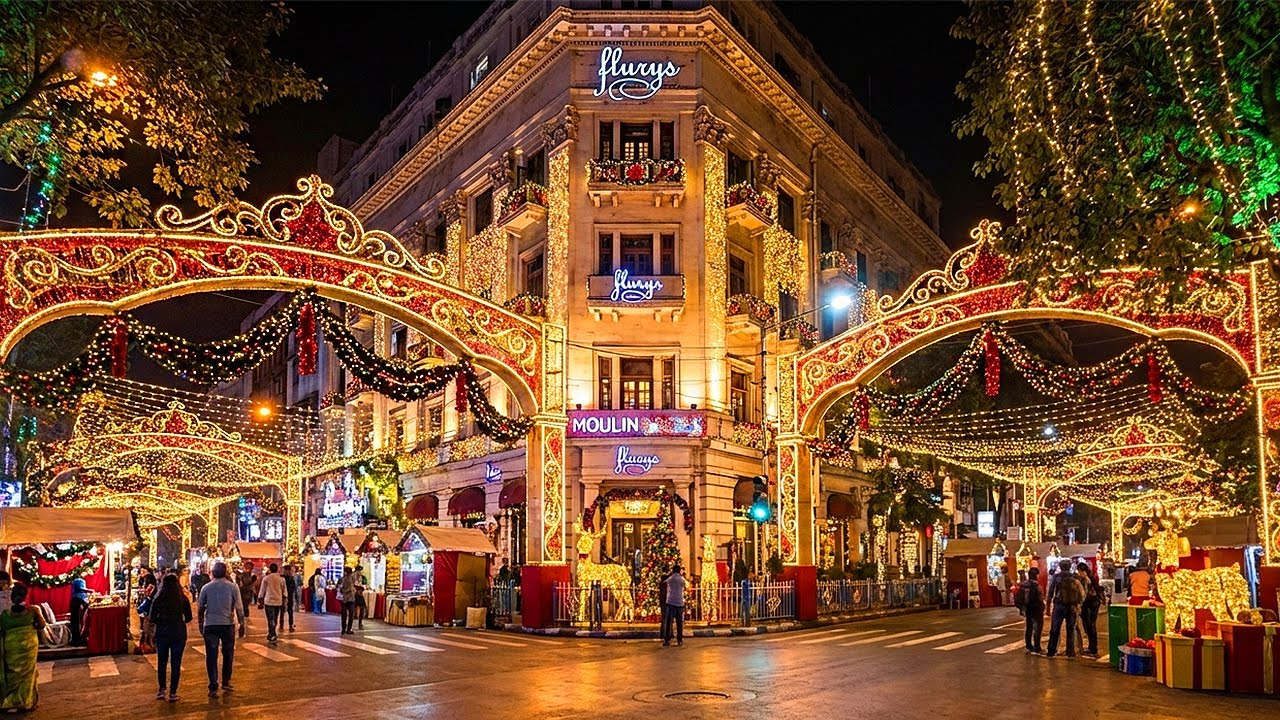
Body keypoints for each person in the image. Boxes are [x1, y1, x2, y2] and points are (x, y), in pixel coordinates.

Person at [197, 562, 245, 698]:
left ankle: (213, 686)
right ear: (225, 572)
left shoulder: (206, 588)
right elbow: (239, 608)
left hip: (211, 625)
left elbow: (200, 608)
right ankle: (226, 681)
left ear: (212, 573)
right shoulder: (232, 587)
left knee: (211, 656)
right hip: (227, 624)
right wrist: (242, 624)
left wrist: (201, 624)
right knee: (228, 654)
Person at [0, 584, 45, 712]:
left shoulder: (4, 615)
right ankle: (25, 702)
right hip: (29, 647)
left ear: (12, 597)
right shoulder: (33, 611)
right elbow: (42, 625)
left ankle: (9, 702)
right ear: (25, 596)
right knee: (27, 675)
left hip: (11, 648)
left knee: (12, 674)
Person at [150, 573, 193, 702]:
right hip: (178, 632)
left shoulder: (158, 598)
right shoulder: (182, 598)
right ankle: (173, 692)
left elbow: (152, 618)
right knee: (176, 663)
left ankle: (162, 690)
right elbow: (189, 617)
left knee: (162, 662)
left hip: (162, 632)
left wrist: (161, 621)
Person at [1045, 558, 1083, 658]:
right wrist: (1078, 604)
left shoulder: (1057, 577)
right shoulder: (1075, 577)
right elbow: (1081, 592)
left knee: (1055, 629)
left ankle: (1051, 651)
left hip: (1059, 605)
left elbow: (1050, 593)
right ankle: (1070, 652)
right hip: (1072, 606)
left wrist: (1048, 607)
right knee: (1071, 629)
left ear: (1060, 567)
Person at [1014, 567, 1045, 654]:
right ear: (1036, 576)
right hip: (1036, 609)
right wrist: (1043, 607)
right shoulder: (1036, 585)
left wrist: (1021, 608)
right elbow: (1039, 598)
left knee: (1029, 627)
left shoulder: (1024, 585)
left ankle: (1028, 645)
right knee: (1037, 628)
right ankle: (1037, 647)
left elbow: (1019, 597)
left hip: (1028, 608)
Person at [1076, 562, 1103, 658]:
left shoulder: (1085, 579)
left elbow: (1083, 593)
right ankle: (1092, 647)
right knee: (1090, 625)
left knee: (1090, 625)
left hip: (1089, 603)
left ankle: (1093, 648)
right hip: (1094, 602)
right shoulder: (1092, 577)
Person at [257, 563, 287, 645]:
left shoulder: (266, 578)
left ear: (270, 569)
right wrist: (284, 600)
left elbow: (262, 590)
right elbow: (284, 591)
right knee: (275, 618)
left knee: (270, 618)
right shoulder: (281, 579)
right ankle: (272, 633)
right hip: (278, 601)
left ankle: (272, 633)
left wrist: (260, 600)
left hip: (269, 601)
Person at [661, 565, 686, 647]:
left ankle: (667, 640)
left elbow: (664, 582)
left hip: (670, 602)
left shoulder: (671, 578)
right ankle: (679, 639)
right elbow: (685, 586)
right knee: (679, 623)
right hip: (679, 602)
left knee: (669, 622)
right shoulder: (682, 579)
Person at [69, 577, 90, 647]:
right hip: (76, 602)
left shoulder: (79, 581)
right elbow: (81, 589)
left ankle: (77, 640)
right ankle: (77, 641)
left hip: (76, 601)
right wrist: (90, 591)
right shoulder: (78, 581)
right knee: (77, 622)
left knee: (76, 622)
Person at [337, 567, 358, 634]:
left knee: (344, 615)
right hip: (350, 598)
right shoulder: (351, 579)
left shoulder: (342, 578)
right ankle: (348, 629)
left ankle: (343, 629)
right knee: (351, 614)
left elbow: (340, 588)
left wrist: (343, 591)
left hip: (344, 599)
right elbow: (351, 588)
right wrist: (351, 590)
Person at [281, 564, 298, 632]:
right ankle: (290, 625)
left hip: (284, 596)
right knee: (289, 611)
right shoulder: (291, 578)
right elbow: (293, 588)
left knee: (283, 611)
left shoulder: (282, 577)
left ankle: (282, 625)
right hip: (288, 596)